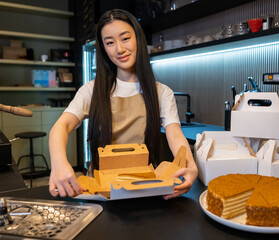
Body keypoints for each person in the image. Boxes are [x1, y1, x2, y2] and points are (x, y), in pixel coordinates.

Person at [48, 9, 198, 200]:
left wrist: (190, 165)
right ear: (104, 49)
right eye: (110, 42)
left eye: (125, 38)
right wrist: (59, 163)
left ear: (138, 39)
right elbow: (60, 127)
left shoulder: (161, 92)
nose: (119, 49)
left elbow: (175, 135)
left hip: (145, 188)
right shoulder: (91, 90)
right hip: (101, 192)